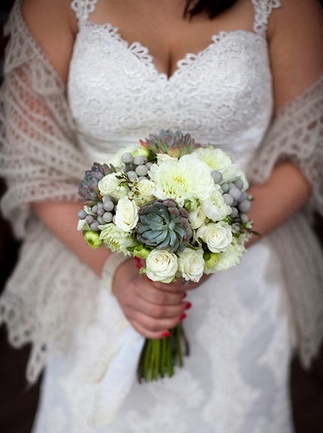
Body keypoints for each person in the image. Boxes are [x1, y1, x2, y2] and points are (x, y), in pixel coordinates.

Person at [0, 0, 322, 432]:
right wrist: (118, 272)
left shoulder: (288, 7)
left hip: (241, 279)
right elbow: (33, 160)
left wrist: (208, 250)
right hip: (92, 268)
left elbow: (306, 151)